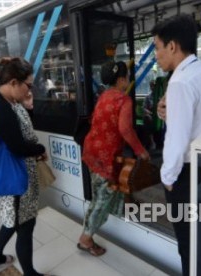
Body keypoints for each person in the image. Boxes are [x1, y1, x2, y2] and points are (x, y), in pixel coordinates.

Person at [152, 14, 201, 276]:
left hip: (185, 174)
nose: (157, 55)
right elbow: (198, 117)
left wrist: (168, 176)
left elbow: (177, 139)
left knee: (187, 243)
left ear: (172, 46)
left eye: (157, 47)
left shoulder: (179, 81)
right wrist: (165, 112)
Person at [0, 57, 52, 276]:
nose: (29, 89)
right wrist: (39, 149)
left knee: (12, 221)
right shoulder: (0, 108)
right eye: (28, 85)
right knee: (25, 225)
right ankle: (30, 273)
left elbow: (19, 134)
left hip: (14, 175)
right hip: (15, 179)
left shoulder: (4, 103)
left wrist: (28, 107)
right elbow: (17, 146)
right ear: (13, 82)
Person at [78, 60, 150, 256]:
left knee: (104, 192)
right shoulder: (123, 100)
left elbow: (96, 121)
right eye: (126, 77)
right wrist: (140, 150)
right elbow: (125, 129)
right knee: (101, 199)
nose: (127, 80)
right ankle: (85, 239)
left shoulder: (103, 96)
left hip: (92, 152)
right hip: (106, 156)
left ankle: (127, 204)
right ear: (121, 79)